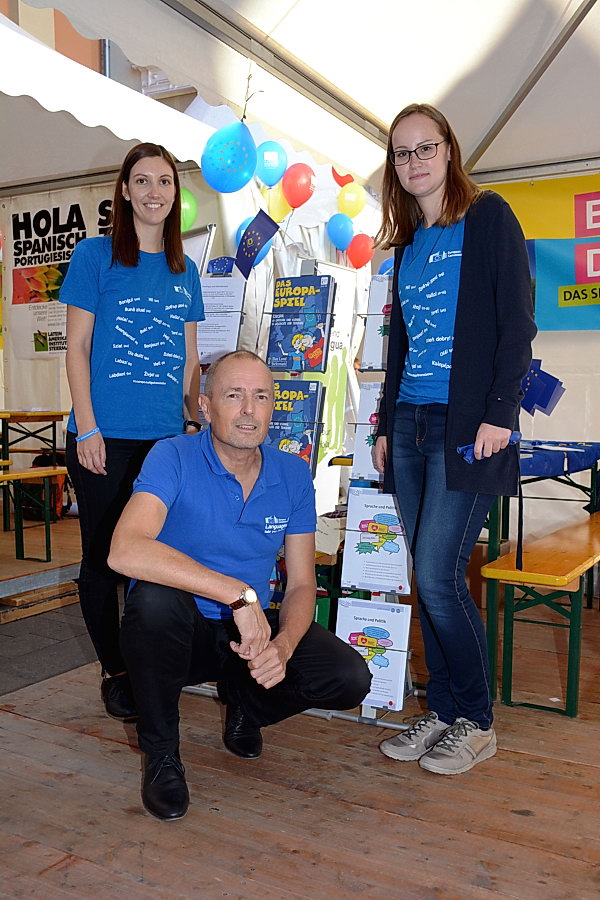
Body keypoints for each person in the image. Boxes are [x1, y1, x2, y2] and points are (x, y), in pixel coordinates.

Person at [108, 350, 371, 820]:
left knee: (349, 678)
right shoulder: (172, 455)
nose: (249, 410)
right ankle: (162, 753)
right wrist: (238, 594)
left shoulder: (292, 473)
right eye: (234, 395)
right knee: (153, 602)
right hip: (182, 630)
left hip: (248, 634)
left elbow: (301, 584)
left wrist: (283, 647)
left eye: (261, 397)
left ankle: (246, 704)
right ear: (206, 407)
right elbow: (124, 550)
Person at [373, 103, 536, 775]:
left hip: (467, 428)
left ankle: (477, 720)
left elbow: (517, 324)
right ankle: (442, 710)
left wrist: (500, 412)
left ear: (448, 150)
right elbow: (402, 344)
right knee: (427, 574)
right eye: (402, 152)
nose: (414, 161)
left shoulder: (488, 216)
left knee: (440, 575)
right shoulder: (407, 243)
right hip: (410, 423)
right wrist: (385, 424)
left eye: (425, 148)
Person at [61, 143, 205, 722]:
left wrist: (193, 422)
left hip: (166, 443)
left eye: (164, 182)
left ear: (175, 193)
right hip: (103, 438)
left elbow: (191, 362)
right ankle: (115, 672)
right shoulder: (94, 256)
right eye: (142, 181)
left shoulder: (185, 270)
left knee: (157, 558)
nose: (153, 192)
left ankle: (151, 662)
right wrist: (87, 427)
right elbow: (76, 347)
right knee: (103, 559)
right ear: (124, 191)